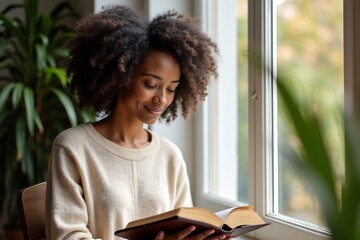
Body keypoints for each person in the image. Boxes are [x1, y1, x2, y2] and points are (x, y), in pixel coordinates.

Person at [45, 5, 228, 240]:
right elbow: (67, 237)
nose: (162, 99)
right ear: (121, 76)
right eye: (151, 85)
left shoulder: (169, 156)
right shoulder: (72, 147)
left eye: (171, 89)